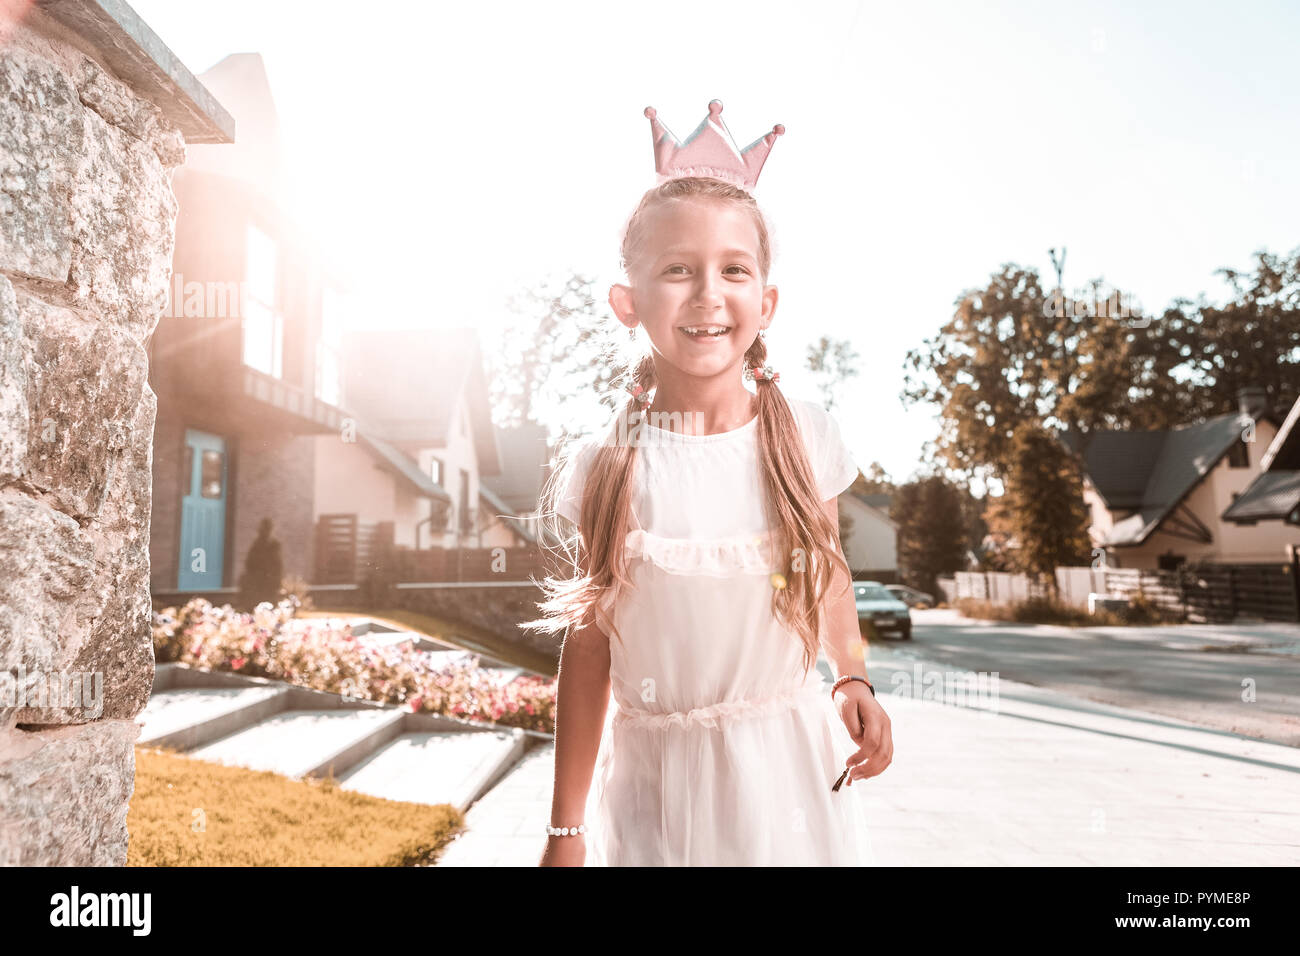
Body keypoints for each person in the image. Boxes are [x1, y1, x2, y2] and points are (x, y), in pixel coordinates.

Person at [524, 101, 892, 866]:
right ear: (628, 303)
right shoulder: (609, 460)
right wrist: (566, 829)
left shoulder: (803, 436)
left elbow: (824, 575)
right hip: (657, 785)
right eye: (676, 270)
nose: (706, 293)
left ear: (767, 301)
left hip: (787, 770)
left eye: (733, 269)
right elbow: (588, 650)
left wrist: (851, 675)